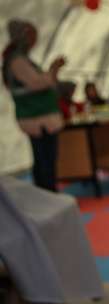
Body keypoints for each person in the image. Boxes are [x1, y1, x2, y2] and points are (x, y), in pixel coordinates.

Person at [1, 19, 66, 192]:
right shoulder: (16, 61)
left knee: (46, 159)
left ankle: (48, 194)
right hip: (36, 118)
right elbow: (37, 83)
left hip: (39, 117)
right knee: (45, 160)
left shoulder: (21, 59)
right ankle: (48, 195)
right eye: (31, 35)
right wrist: (53, 69)